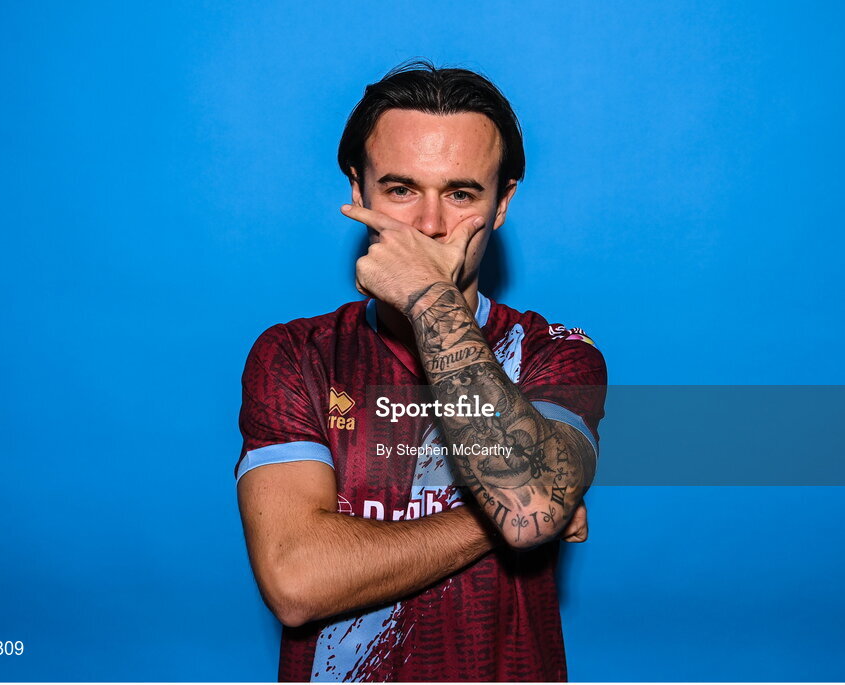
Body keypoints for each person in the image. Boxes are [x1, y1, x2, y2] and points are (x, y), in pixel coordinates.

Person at [234, 59, 607, 682]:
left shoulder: (555, 353)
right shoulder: (295, 354)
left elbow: (530, 506)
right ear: (358, 191)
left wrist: (426, 297)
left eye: (461, 194)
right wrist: (519, 506)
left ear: (503, 202)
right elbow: (297, 581)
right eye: (401, 190)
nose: (430, 225)